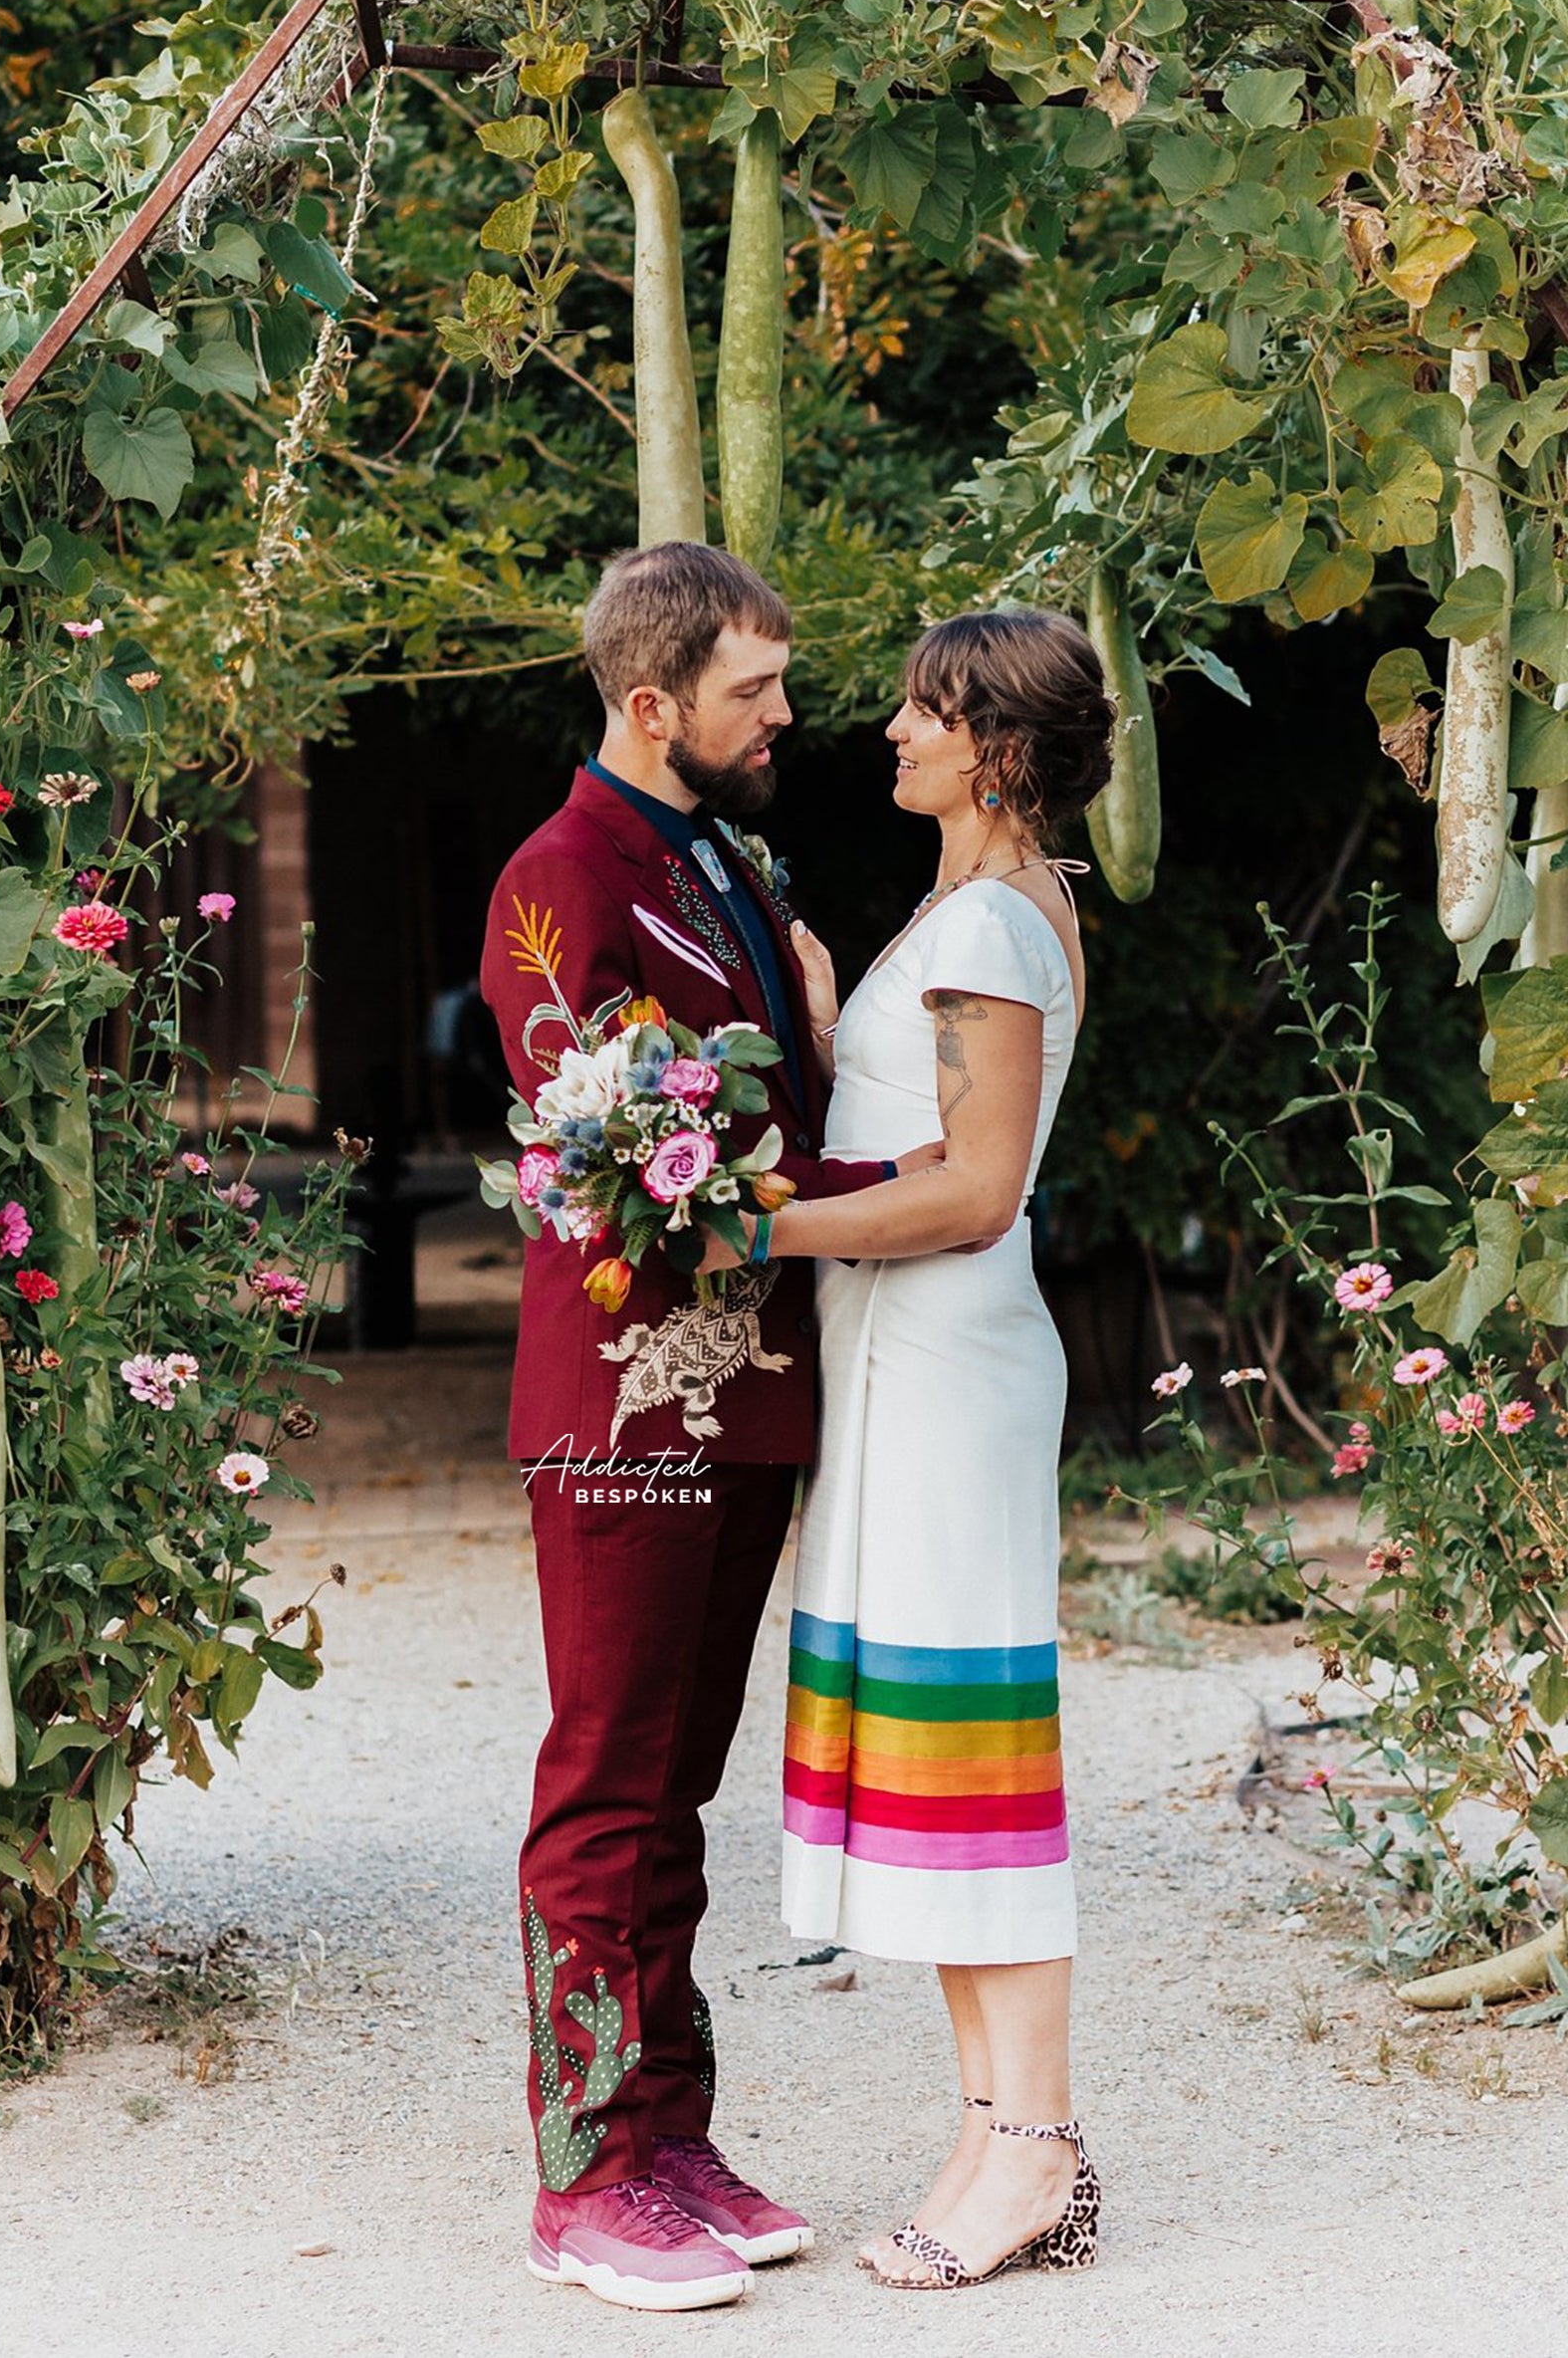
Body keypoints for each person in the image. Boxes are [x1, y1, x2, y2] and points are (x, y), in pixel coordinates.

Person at [479, 542, 936, 2314]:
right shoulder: (561, 875)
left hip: (744, 1393)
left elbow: (750, 1095)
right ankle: (583, 2172)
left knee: (673, 1785)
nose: (785, 712)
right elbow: (623, 1151)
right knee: (606, 1777)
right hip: (620, 1395)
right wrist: (906, 1185)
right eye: (754, 686)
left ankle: (670, 2131)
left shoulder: (719, 860)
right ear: (652, 701)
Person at [707, 604, 1114, 2291]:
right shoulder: (978, 912)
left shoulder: (991, 936)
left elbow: (971, 1188)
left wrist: (740, 1224)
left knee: (978, 1780)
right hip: (905, 1375)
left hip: (946, 1380)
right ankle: (989, 2127)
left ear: (996, 746)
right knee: (940, 1782)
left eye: (923, 711)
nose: (887, 729)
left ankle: (1035, 2150)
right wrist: (813, 1022)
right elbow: (907, 1131)